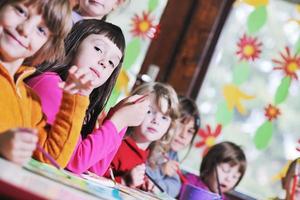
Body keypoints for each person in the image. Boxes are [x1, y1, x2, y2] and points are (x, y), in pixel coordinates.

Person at [27, 19, 150, 175]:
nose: (104, 62)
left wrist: (116, 117)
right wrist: (118, 121)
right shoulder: (51, 83)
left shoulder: (83, 103)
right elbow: (75, 161)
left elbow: (94, 168)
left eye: (112, 62)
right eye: (98, 49)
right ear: (75, 43)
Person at [0, 0, 93, 167]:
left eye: (41, 30)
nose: (25, 29)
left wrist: (74, 98)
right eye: (21, 11)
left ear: (47, 46)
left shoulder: (31, 101)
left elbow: (52, 158)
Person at [106, 82, 179, 188]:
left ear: (170, 127)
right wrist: (124, 181)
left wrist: (143, 184)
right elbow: (93, 179)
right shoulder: (117, 145)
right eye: (149, 111)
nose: (156, 121)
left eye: (164, 118)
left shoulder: (149, 155)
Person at [146, 96, 200, 197]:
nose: (183, 135)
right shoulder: (150, 145)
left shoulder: (172, 155)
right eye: (180, 125)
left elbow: (175, 187)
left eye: (189, 131)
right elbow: (142, 176)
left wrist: (157, 187)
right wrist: (161, 170)